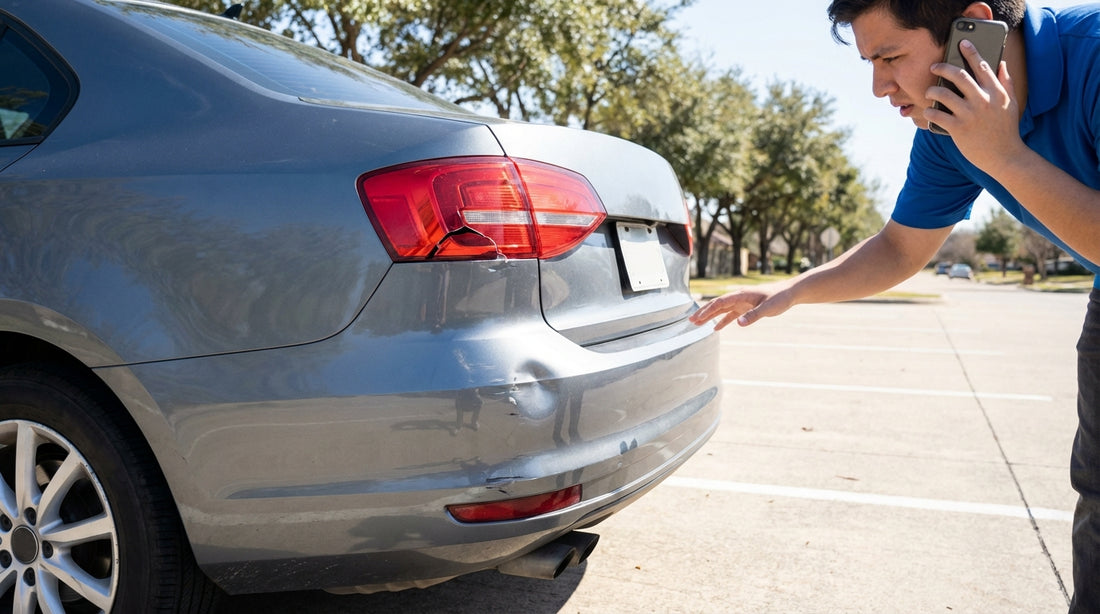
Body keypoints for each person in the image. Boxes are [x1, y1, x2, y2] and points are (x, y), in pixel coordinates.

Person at [689, 1, 1100, 611]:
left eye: (889, 57)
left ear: (972, 29)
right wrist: (792, 288)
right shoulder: (946, 130)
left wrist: (1004, 155)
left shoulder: (1091, 53)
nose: (879, 87)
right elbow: (899, 247)